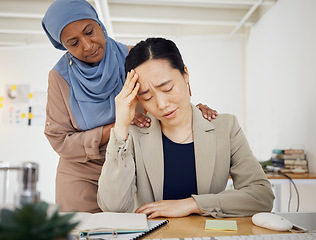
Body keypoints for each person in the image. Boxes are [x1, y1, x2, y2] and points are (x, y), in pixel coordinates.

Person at [42, 0, 217, 213]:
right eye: (73, 43)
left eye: (89, 32)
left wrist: (194, 112)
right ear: (64, 47)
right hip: (81, 175)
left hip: (133, 166)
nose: (87, 45)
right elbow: (60, 141)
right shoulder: (60, 77)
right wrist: (114, 128)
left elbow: (164, 97)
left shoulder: (132, 57)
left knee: (138, 229)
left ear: (100, 25)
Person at [97, 37, 274, 218]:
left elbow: (262, 197)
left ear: (185, 74)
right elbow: (113, 208)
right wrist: (121, 126)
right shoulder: (133, 135)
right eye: (147, 97)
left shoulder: (226, 127)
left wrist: (193, 204)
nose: (162, 104)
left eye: (167, 88)